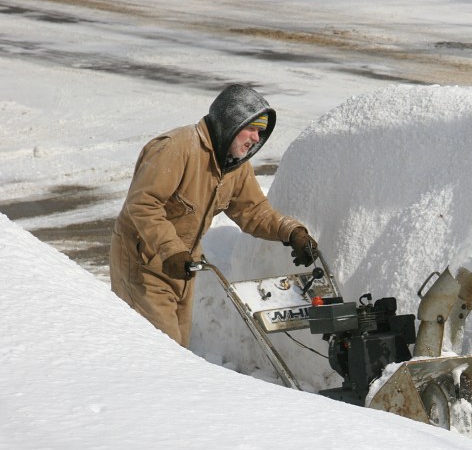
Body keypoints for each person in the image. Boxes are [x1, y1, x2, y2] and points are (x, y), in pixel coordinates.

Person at [109, 83, 317, 347]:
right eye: (252, 129)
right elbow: (143, 204)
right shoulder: (176, 148)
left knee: (178, 350)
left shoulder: (234, 166)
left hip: (182, 267)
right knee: (161, 352)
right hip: (143, 264)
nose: (256, 138)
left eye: (261, 132)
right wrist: (171, 249)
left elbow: (253, 211)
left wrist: (292, 232)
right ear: (230, 122)